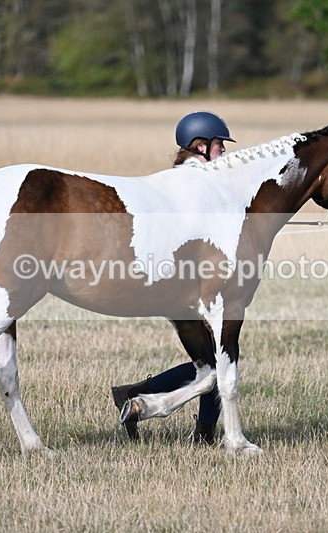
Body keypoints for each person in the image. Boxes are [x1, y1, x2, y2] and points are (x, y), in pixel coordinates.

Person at [111, 111, 235, 445]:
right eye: (219, 143)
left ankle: (136, 393)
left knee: (210, 360)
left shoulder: (186, 176)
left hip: (180, 280)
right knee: (217, 361)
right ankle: (199, 429)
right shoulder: (198, 181)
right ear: (200, 145)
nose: (224, 150)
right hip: (184, 283)